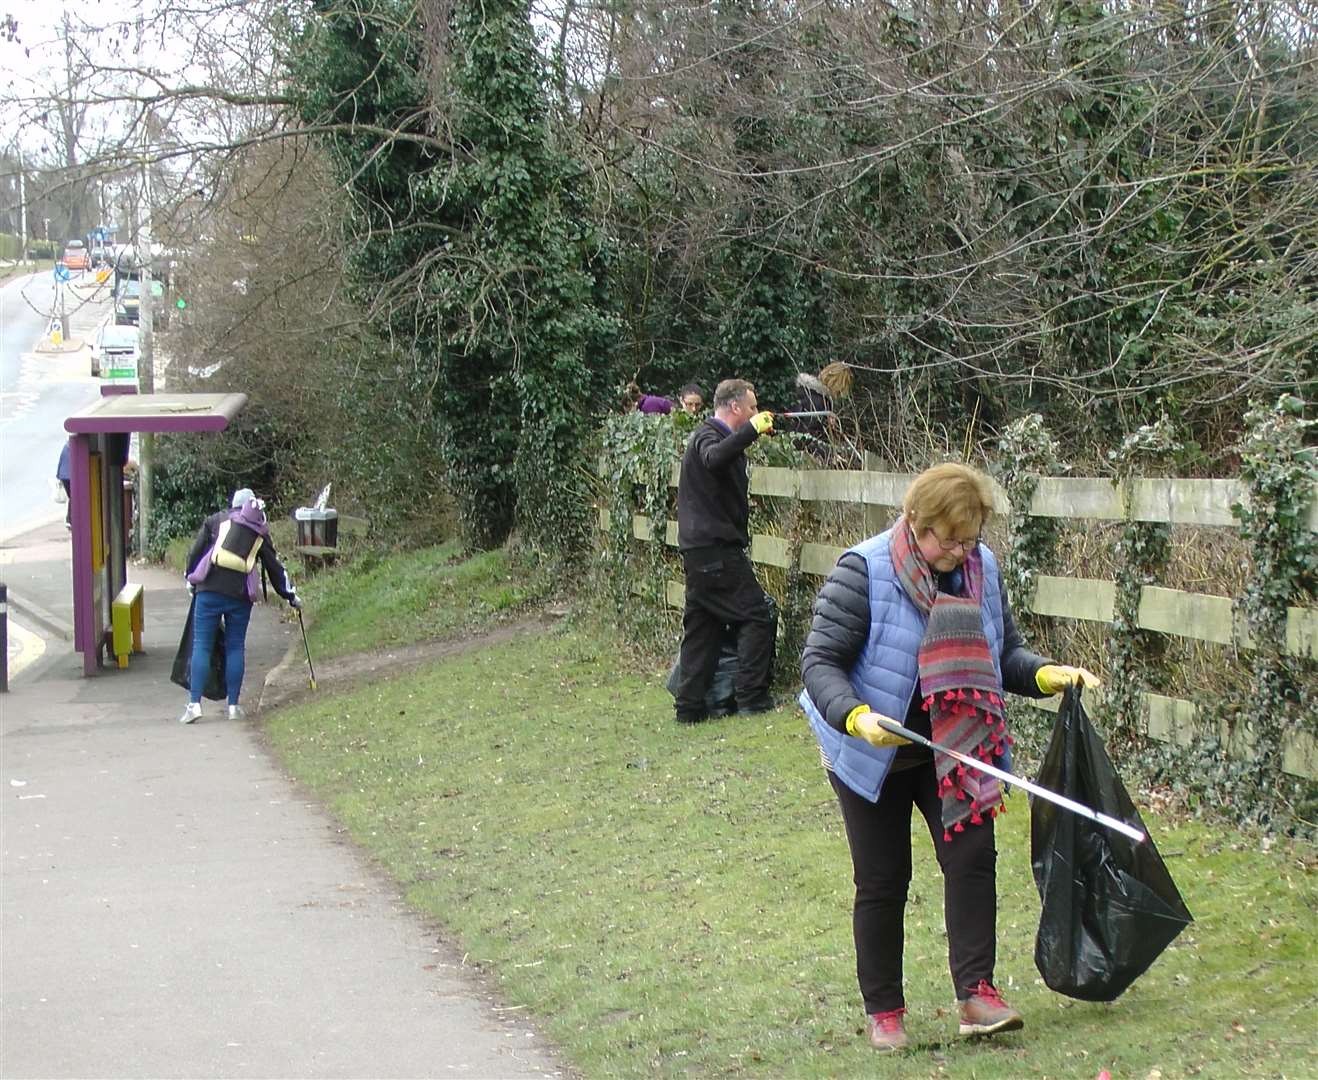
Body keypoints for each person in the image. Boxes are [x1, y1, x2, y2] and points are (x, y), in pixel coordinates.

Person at [798, 462, 1099, 1051]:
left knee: (972, 860)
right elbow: (818, 664)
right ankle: (885, 1011)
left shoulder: (981, 569)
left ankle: (977, 995)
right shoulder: (863, 571)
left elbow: (1003, 653)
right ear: (917, 522)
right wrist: (855, 715)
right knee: (883, 880)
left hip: (955, 750)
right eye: (951, 539)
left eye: (971, 538)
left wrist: (1043, 675)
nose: (962, 551)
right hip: (871, 753)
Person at [672, 378, 778, 722]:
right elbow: (715, 459)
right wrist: (750, 430)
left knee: (703, 629)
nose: (756, 412)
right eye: (751, 407)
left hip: (698, 551)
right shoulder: (707, 436)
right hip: (715, 550)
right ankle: (751, 697)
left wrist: (748, 434)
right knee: (755, 615)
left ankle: (688, 708)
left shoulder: (717, 438)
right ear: (735, 408)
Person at [178, 489, 300, 724]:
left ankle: (194, 705)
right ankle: (233, 707)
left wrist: (190, 577)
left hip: (209, 591)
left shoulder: (215, 520)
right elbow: (274, 567)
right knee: (235, 647)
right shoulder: (258, 529)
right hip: (240, 596)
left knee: (201, 645)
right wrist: (290, 596)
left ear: (233, 504)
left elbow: (195, 552)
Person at [55, 442, 72, 527]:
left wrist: (58, 476)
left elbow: (60, 462)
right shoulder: (74, 448)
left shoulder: (66, 447)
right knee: (74, 497)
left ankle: (69, 519)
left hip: (64, 476)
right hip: (71, 476)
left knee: (72, 497)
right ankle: (70, 518)